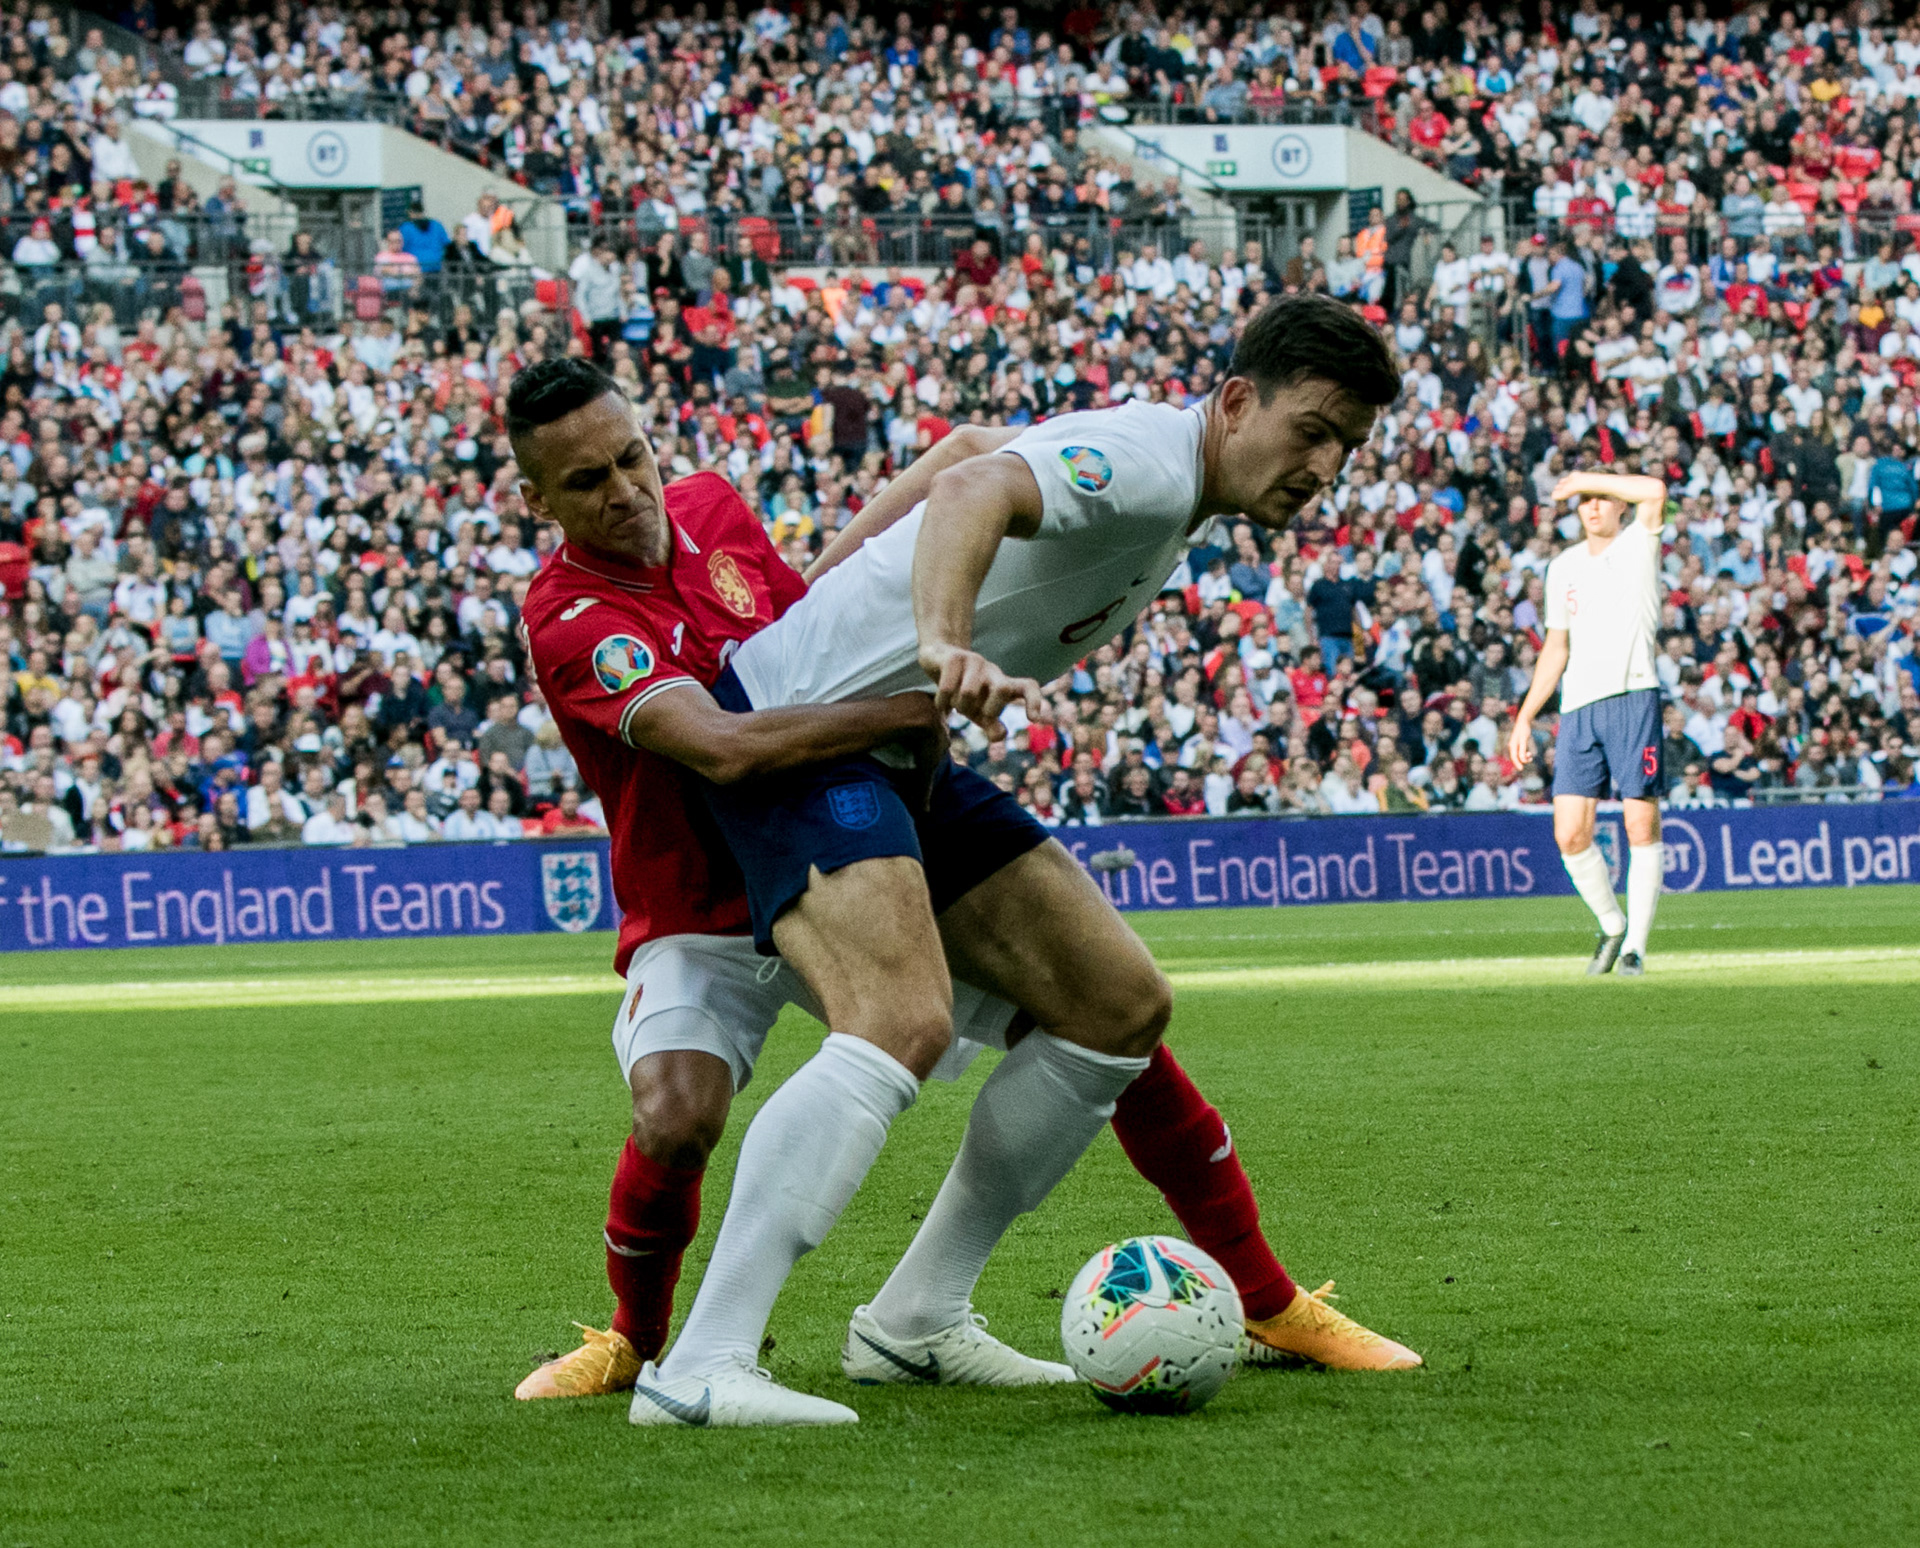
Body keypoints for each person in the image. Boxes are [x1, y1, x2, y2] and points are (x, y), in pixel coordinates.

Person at [511, 339, 1417, 1424]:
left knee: (1114, 1006)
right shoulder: (572, 615)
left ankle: (916, 1321)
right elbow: (730, 740)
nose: (627, 490)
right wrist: (938, 654)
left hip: (883, 760)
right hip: (763, 811)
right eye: (1312, 432)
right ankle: (689, 1360)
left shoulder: (712, 507)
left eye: (634, 458)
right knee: (836, 1048)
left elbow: (963, 453)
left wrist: (842, 605)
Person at [1507, 470, 1668, 977]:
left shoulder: (1639, 543)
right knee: (1569, 834)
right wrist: (1525, 715)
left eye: (1602, 499)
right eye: (1584, 501)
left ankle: (1636, 948)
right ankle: (1612, 923)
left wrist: (1589, 477)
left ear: (1620, 504)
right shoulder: (1563, 567)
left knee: (1640, 821)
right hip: (1579, 706)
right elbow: (1556, 647)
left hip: (1632, 694)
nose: (1593, 507)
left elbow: (1655, 490)